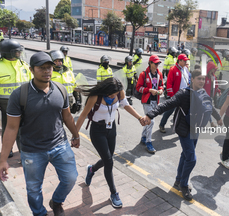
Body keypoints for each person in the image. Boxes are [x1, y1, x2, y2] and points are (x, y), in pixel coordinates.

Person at [0, 51, 79, 216]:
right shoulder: (19, 95)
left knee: (70, 178)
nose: (47, 71)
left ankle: (56, 202)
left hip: (60, 145)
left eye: (49, 67)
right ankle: (39, 213)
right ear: (31, 69)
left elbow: (67, 116)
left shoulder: (61, 90)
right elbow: (11, 128)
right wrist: (3, 160)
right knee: (34, 189)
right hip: (32, 151)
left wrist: (76, 134)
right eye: (41, 68)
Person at [142, 69, 222, 200]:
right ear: (192, 79)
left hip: (196, 129)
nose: (202, 81)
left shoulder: (202, 92)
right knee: (191, 158)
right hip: (184, 130)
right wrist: (150, 114)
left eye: (203, 79)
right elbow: (167, 104)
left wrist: (218, 117)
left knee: (185, 155)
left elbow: (210, 106)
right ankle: (184, 185)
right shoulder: (184, 93)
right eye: (199, 79)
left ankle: (178, 180)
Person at [76, 77, 145, 208]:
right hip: (97, 131)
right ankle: (113, 193)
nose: (114, 96)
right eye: (111, 94)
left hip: (111, 129)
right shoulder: (95, 97)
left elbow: (126, 105)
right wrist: (75, 135)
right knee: (109, 161)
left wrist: (139, 118)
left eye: (115, 94)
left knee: (108, 158)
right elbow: (83, 115)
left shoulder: (119, 92)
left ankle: (92, 169)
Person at [0, 39, 32, 158]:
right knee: (7, 127)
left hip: (23, 102)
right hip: (5, 103)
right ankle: (7, 150)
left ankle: (23, 151)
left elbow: (31, 82)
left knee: (22, 129)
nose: (19, 54)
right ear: (8, 53)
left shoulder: (23, 65)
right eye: (16, 52)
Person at [136, 55, 164, 153]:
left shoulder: (159, 74)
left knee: (148, 120)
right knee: (151, 121)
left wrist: (160, 90)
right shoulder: (143, 74)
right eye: (155, 63)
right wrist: (149, 90)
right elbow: (138, 88)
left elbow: (161, 85)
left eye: (158, 63)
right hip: (146, 101)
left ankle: (143, 137)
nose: (157, 65)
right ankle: (148, 142)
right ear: (150, 63)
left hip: (155, 100)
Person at [159, 54, 190, 133]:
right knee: (169, 110)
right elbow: (169, 83)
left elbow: (188, 80)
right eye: (184, 60)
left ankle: (179, 126)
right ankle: (162, 124)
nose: (186, 62)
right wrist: (172, 95)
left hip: (184, 95)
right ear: (179, 61)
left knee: (182, 112)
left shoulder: (186, 69)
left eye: (186, 60)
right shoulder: (173, 69)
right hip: (175, 95)